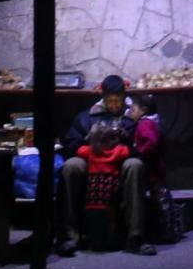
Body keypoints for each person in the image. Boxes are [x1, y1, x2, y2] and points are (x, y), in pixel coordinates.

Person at [54, 74, 155, 256]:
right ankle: (70, 236)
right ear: (103, 97)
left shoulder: (131, 117)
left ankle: (135, 237)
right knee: (70, 166)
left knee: (135, 165)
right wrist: (90, 140)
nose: (115, 104)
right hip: (92, 161)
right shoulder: (87, 117)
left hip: (120, 162)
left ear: (124, 98)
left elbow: (140, 149)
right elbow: (70, 144)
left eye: (118, 100)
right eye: (110, 100)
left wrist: (123, 139)